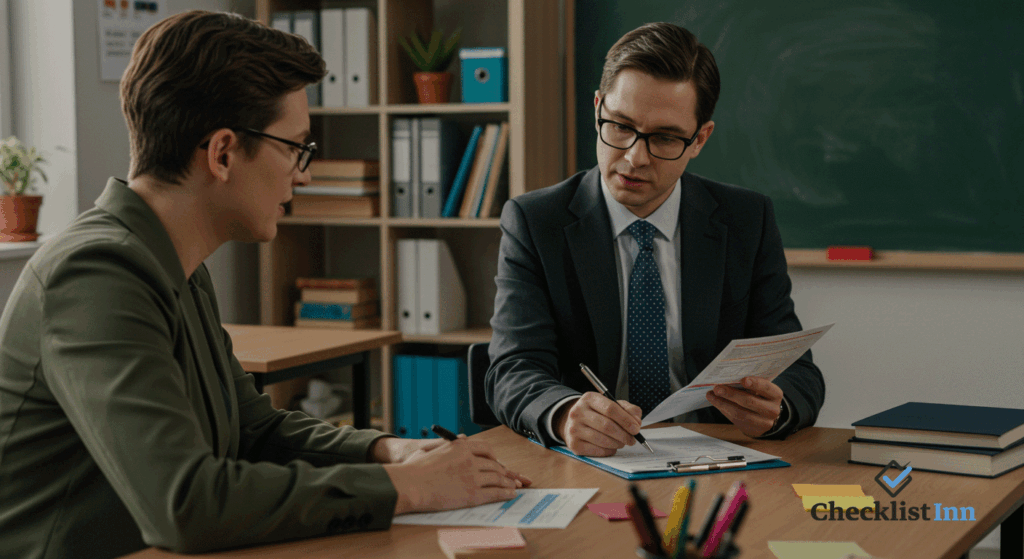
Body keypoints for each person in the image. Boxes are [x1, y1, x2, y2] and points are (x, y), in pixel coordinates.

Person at [0, 11, 528, 559]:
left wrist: (392, 452)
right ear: (223, 152)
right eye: (296, 147)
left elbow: (254, 430)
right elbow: (186, 505)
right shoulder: (95, 276)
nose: (303, 174)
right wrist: (412, 489)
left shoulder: (175, 263)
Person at [486, 22, 825, 457]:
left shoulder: (745, 220)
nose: (634, 157)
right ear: (597, 108)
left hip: (714, 457)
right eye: (620, 126)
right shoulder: (535, 222)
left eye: (664, 137)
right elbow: (512, 369)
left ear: (699, 138)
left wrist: (776, 407)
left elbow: (799, 372)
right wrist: (565, 412)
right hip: (591, 461)